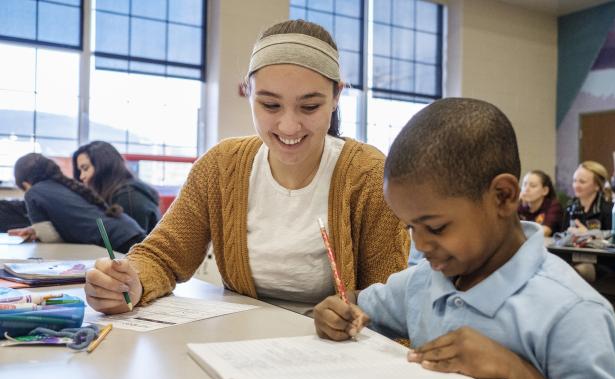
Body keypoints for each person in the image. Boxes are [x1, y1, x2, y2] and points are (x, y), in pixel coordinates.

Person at [84, 20, 409, 315]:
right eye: (270, 105)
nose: (289, 126)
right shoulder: (222, 166)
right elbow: (163, 256)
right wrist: (130, 281)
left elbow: (390, 307)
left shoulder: (367, 175)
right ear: (248, 92)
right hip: (238, 350)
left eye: (310, 106)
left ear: (337, 96)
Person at [314, 98, 615, 379]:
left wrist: (516, 372)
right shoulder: (424, 281)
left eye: (435, 228)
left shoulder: (573, 313)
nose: (420, 245)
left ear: (502, 196)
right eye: (411, 227)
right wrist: (337, 312)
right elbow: (357, 304)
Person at [8, 153, 146, 253]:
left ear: (25, 184)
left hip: (116, 243)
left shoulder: (34, 192)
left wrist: (39, 232)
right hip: (128, 231)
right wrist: (36, 230)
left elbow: (51, 238)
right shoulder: (64, 185)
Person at [73, 141, 161, 234]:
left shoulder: (128, 198)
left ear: (104, 166)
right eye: (80, 171)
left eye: (85, 168)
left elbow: (131, 244)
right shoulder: (122, 193)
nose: (81, 176)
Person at [560, 160, 613, 232]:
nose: (576, 186)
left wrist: (588, 235)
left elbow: (614, 241)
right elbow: (562, 236)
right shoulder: (570, 207)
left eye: (582, 182)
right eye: (574, 181)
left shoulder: (609, 210)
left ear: (597, 185)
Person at [518, 170, 562, 237]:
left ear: (545, 191)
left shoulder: (553, 206)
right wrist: (515, 204)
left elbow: (545, 232)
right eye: (524, 184)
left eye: (532, 186)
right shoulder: (519, 205)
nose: (526, 189)